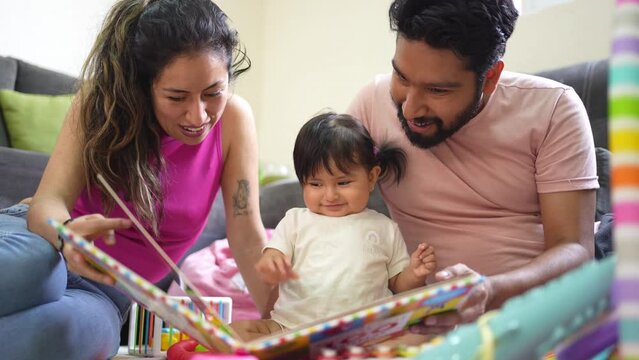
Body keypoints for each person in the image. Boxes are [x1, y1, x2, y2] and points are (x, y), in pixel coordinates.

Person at [0, 0, 271, 358]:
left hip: (104, 294)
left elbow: (248, 236)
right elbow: (47, 203)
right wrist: (67, 237)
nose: (198, 115)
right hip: (46, 245)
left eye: (213, 93)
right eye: (176, 97)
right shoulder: (97, 105)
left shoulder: (235, 120)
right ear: (145, 86)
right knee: (37, 276)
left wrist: (282, 324)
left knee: (59, 335)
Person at [347, 0, 599, 337]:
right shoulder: (370, 104)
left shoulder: (553, 108)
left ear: (490, 78)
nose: (410, 108)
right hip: (418, 327)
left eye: (438, 90)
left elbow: (575, 249)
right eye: (402, 77)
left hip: (531, 321)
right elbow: (326, 197)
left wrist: (490, 292)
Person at [231, 112, 436, 341]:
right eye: (316, 184)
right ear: (303, 183)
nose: (330, 195)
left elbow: (398, 285)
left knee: (423, 334)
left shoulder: (384, 227)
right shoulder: (295, 220)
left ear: (371, 177)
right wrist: (271, 263)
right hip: (291, 328)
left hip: (365, 333)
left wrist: (415, 273)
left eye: (343, 182)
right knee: (233, 332)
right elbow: (273, 253)